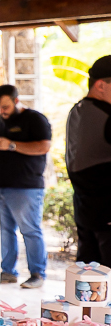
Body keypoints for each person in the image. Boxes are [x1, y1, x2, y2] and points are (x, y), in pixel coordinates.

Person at [0, 84, 52, 288]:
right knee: (4, 231)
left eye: (5, 106)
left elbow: (44, 146)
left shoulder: (35, 119)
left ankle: (37, 273)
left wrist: (11, 145)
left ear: (16, 101)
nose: (2, 111)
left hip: (25, 186)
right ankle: (7, 271)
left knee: (30, 230)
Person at [66, 56, 111, 264]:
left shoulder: (77, 110)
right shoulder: (105, 115)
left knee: (88, 273)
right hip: (105, 211)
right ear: (101, 85)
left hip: (85, 210)